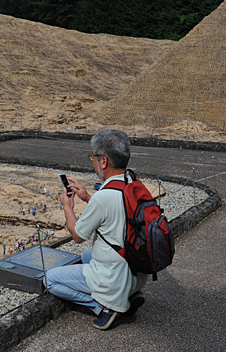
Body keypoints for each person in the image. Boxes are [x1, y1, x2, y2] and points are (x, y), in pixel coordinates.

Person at [45, 130, 147, 330]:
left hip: (113, 277)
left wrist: (67, 207)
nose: (93, 162)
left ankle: (105, 307)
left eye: (93, 157)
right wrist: (86, 197)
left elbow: (77, 235)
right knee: (87, 256)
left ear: (103, 162)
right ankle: (130, 292)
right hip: (137, 271)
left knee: (50, 279)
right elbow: (115, 211)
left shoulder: (103, 197)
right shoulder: (132, 183)